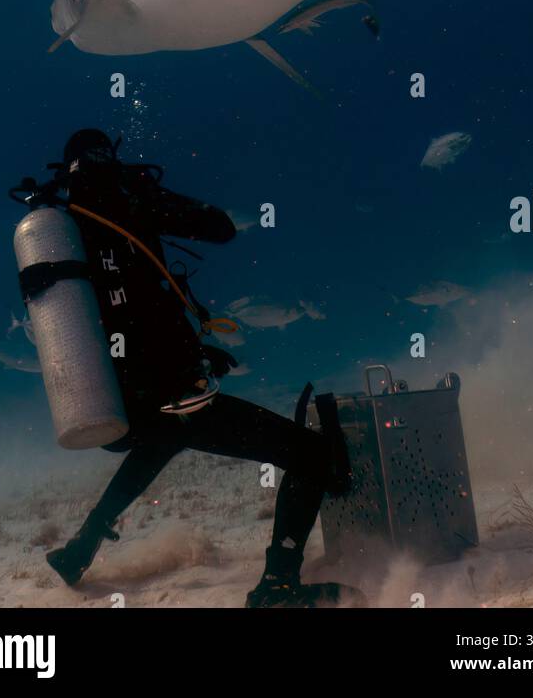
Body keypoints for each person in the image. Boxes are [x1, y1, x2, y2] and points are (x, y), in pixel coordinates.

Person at [23, 130, 357, 608]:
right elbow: (218, 226)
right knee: (307, 454)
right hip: (170, 390)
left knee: (163, 435)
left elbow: (126, 308)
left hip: (123, 400)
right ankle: (278, 588)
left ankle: (80, 547)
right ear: (107, 159)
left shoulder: (64, 224)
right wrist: (144, 189)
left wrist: (192, 349)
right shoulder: (125, 198)